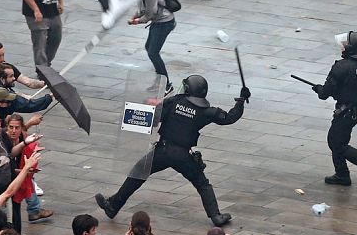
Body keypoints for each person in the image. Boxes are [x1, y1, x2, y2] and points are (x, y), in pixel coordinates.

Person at [96, 75, 249, 226]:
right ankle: (216, 216)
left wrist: (143, 107)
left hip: (163, 150)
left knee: (137, 174)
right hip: (183, 156)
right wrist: (241, 101)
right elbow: (229, 118)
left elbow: (154, 118)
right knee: (202, 184)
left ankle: (113, 206)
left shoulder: (174, 102)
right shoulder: (206, 111)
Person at [312, 31, 357, 188]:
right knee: (338, 141)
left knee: (337, 143)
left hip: (345, 112)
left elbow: (325, 93)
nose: (342, 48)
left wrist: (319, 89)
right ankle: (342, 175)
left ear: (351, 49)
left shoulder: (342, 66)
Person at [127, 0, 177, 95]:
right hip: (158, 21)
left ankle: (166, 84)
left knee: (153, 52)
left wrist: (137, 21)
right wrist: (135, 16)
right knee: (149, 48)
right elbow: (143, 7)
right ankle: (159, 81)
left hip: (164, 22)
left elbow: (151, 12)